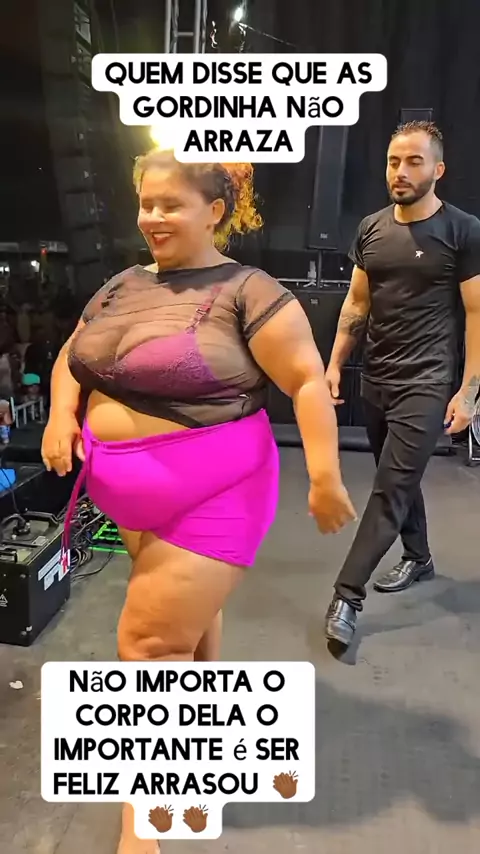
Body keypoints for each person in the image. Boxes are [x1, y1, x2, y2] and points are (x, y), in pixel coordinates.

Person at [41, 149, 356, 854]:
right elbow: (71, 356)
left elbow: (306, 381)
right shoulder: (122, 284)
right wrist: (62, 415)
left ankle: (143, 821)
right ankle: (193, 750)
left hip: (216, 492)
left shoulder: (248, 290)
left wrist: (326, 476)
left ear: (213, 211)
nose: (152, 217)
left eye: (170, 205)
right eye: (145, 203)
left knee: (149, 646)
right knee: (187, 630)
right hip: (128, 498)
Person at [324, 120, 480, 648]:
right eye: (394, 161)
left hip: (428, 381)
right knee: (398, 477)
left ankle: (347, 595)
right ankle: (419, 556)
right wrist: (335, 362)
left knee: (389, 489)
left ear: (438, 169)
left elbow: (477, 314)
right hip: (378, 377)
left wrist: (469, 391)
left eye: (414, 161)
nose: (401, 171)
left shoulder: (462, 231)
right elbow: (357, 303)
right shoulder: (371, 228)